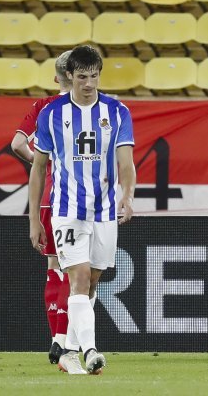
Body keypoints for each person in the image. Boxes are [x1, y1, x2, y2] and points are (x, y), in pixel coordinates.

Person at [28, 45, 135, 375]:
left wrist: (127, 196)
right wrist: (34, 218)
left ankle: (69, 350)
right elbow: (39, 168)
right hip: (67, 209)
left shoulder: (117, 112)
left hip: (104, 211)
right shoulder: (52, 113)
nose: (89, 83)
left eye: (94, 76)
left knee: (93, 282)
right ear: (69, 76)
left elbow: (126, 162)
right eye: (82, 77)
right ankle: (89, 351)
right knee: (79, 277)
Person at [12, 51, 73, 366]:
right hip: (76, 200)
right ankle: (64, 341)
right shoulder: (83, 107)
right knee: (77, 273)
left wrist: (42, 164)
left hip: (49, 199)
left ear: (55, 79)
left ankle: (56, 341)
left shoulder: (43, 107)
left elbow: (17, 142)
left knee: (54, 268)